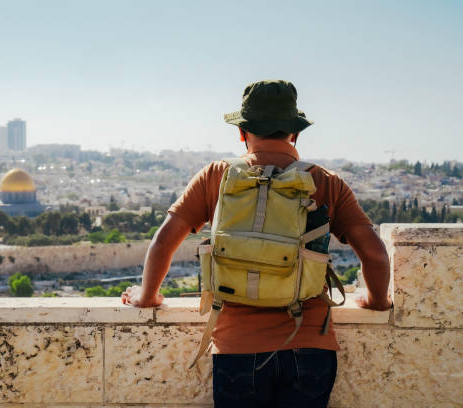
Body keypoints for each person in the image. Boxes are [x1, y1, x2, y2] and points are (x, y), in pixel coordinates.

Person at [121, 80, 392, 407]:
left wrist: (146, 297)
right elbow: (375, 255)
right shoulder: (325, 182)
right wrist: (376, 302)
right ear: (294, 133)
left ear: (242, 132)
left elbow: (164, 241)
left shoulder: (217, 176)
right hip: (309, 349)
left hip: (237, 350)